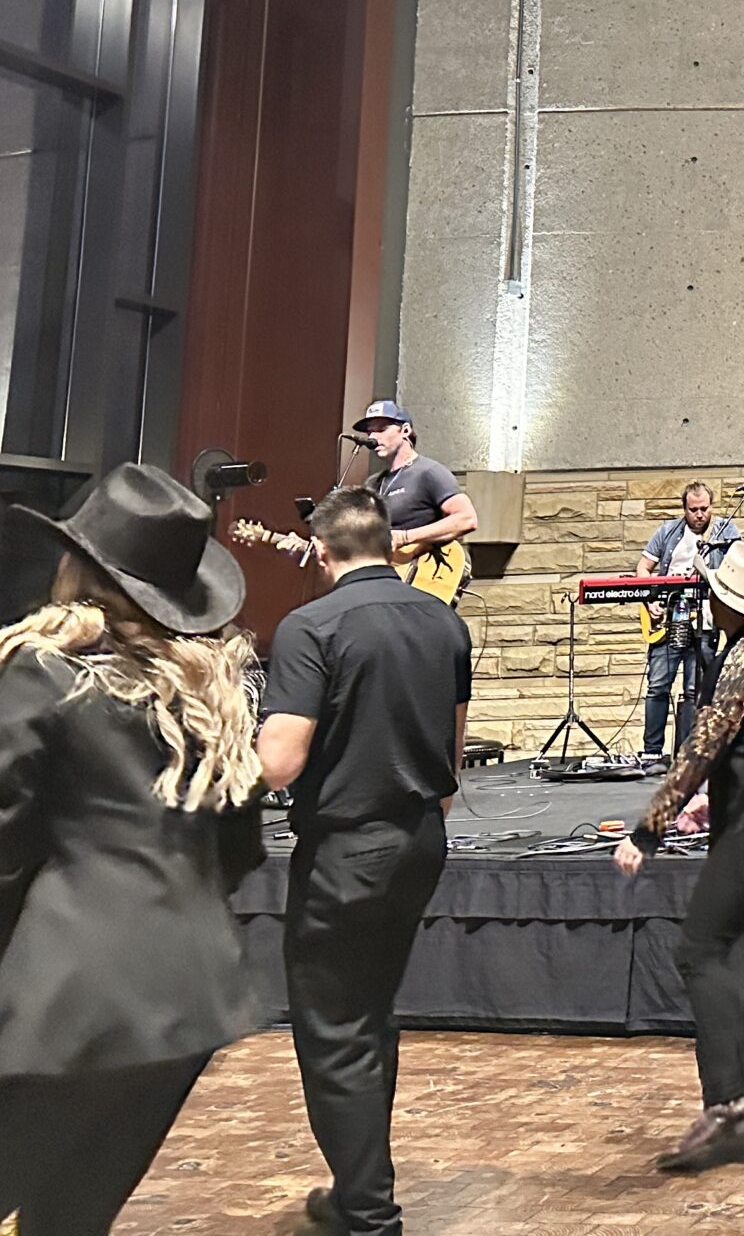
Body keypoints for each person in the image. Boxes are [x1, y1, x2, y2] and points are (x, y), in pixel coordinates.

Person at [0, 463, 265, 1236]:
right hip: (188, 1003)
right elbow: (239, 853)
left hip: (60, 1005)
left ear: (75, 565)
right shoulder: (207, 695)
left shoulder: (41, 672)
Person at [258, 487, 474, 1236]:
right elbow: (453, 752)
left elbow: (279, 763)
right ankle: (358, 1191)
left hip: (347, 850)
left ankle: (370, 1213)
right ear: (391, 544)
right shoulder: (445, 621)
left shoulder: (310, 626)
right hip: (420, 841)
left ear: (321, 552)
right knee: (371, 1014)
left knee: (334, 1029)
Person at [616, 539, 744, 1176]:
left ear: (724, 602)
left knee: (700, 953)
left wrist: (647, 830)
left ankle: (731, 1107)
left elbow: (700, 750)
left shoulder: (742, 661)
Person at [637, 481, 742, 755]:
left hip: (704, 622)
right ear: (684, 509)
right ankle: (651, 752)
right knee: (658, 686)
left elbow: (739, 567)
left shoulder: (725, 532)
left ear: (712, 506)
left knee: (696, 689)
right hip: (669, 619)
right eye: (693, 509)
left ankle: (691, 753)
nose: (699, 515)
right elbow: (643, 568)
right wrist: (650, 600)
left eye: (704, 509)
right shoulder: (667, 531)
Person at [351, 400, 477, 594]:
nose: (373, 436)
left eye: (381, 429)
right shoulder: (373, 484)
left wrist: (405, 537)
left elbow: (467, 519)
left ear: (405, 430)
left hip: (426, 574)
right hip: (387, 579)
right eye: (369, 432)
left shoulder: (429, 472)